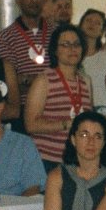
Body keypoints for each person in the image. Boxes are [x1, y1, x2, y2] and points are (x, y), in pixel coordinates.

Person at [25, 23, 92, 170]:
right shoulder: (44, 80)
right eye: (66, 45)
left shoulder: (86, 81)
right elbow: (31, 125)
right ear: (55, 50)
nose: (72, 49)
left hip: (77, 159)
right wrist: (66, 124)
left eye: (77, 44)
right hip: (46, 159)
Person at [0, 0, 52, 106]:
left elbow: (63, 73)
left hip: (54, 105)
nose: (34, 0)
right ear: (18, 0)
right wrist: (46, 81)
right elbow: (9, 81)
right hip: (23, 107)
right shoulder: (6, 36)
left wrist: (26, 79)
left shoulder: (56, 33)